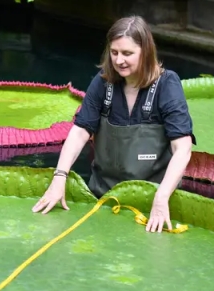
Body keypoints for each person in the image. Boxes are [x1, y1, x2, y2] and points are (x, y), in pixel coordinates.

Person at [32, 15, 195, 233]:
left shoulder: (167, 84)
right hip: (103, 197)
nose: (119, 60)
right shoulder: (103, 82)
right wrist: (60, 177)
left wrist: (161, 196)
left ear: (145, 52)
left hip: (153, 199)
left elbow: (182, 148)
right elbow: (80, 132)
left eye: (127, 53)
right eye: (114, 52)